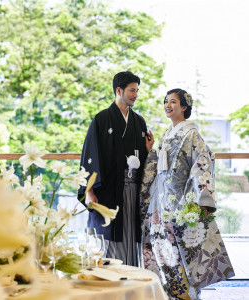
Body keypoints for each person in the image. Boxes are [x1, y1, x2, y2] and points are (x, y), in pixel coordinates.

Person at [140, 89, 235, 299]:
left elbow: (203, 162)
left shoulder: (191, 134)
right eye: (166, 101)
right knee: (160, 250)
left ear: (184, 107)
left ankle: (186, 296)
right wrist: (150, 151)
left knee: (180, 254)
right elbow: (158, 167)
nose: (167, 105)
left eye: (173, 102)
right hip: (160, 202)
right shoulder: (166, 134)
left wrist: (198, 201)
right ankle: (165, 294)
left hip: (179, 202)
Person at [78, 71, 148, 266]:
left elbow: (143, 157)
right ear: (119, 90)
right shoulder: (101, 120)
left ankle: (130, 286)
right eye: (132, 90)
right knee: (106, 239)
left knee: (129, 237)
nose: (135, 94)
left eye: (137, 90)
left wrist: (148, 150)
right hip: (108, 191)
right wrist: (89, 191)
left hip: (132, 191)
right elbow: (89, 158)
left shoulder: (139, 122)